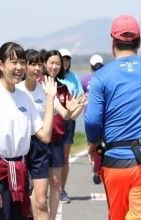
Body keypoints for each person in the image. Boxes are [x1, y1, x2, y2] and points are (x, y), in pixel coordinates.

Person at [84, 15, 141, 220]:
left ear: (112, 43)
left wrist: (94, 142)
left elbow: (92, 121)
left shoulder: (101, 76)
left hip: (114, 160)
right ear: (139, 42)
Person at [0, 42, 57, 220]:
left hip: (20, 173)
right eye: (13, 62)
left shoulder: (25, 98)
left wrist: (50, 99)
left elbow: (45, 135)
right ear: (1, 65)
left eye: (22, 62)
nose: (19, 67)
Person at [16, 49, 85, 220]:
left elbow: (65, 114)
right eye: (34, 64)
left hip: (49, 142)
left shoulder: (53, 89)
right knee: (26, 191)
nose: (38, 68)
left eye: (39, 64)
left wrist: (75, 108)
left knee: (46, 193)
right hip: (23, 146)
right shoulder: (19, 89)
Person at [41, 49, 86, 220]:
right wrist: (68, 109)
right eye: (51, 63)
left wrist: (80, 105)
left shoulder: (63, 86)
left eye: (57, 64)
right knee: (39, 188)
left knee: (55, 184)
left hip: (57, 140)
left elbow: (68, 115)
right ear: (45, 63)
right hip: (39, 141)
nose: (54, 66)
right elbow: (63, 111)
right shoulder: (40, 84)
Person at [57, 48, 84, 204]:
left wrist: (77, 110)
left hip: (68, 122)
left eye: (67, 59)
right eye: (62, 59)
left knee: (65, 157)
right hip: (54, 120)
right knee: (51, 156)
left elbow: (80, 97)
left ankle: (61, 190)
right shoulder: (51, 76)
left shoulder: (73, 77)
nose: (65, 62)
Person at [81, 54, 104, 184]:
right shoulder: (107, 78)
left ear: (91, 66)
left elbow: (82, 95)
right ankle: (99, 168)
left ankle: (96, 168)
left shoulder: (85, 80)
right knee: (100, 144)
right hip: (101, 116)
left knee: (93, 143)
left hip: (89, 117)